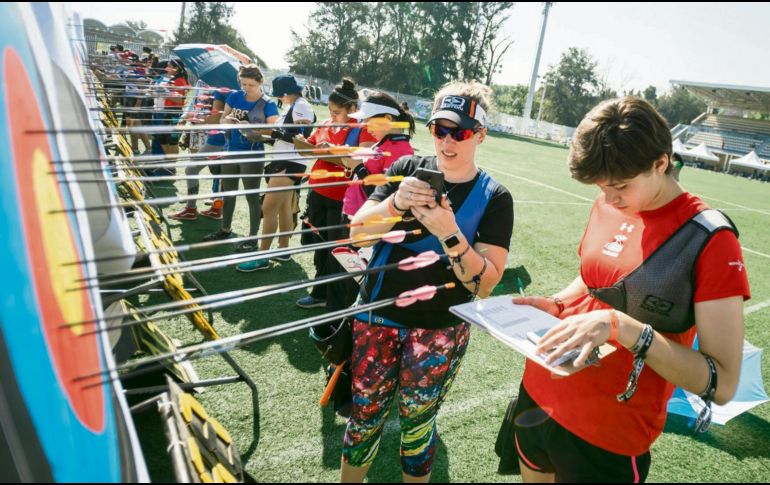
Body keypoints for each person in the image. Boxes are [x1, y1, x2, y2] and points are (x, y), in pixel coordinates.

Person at [510, 97, 750, 483]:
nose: (608, 199)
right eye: (601, 187)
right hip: (538, 395)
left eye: (620, 187)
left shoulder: (711, 239)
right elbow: (595, 280)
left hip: (608, 432)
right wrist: (558, 303)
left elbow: (721, 383)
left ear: (661, 163)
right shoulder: (608, 202)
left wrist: (622, 327)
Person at [340, 81, 514, 482]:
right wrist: (396, 201)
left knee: (417, 429)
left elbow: (485, 284)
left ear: (481, 135)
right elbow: (358, 235)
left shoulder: (495, 197)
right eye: (439, 129)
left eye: (460, 132)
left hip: (439, 329)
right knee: (363, 420)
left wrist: (449, 233)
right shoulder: (405, 170)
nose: (447, 141)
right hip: (376, 316)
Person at [293, 78, 377, 308]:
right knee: (319, 247)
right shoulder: (326, 123)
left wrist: (331, 151)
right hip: (317, 193)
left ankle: (330, 298)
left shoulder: (362, 129)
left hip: (342, 200)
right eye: (330, 110)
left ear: (353, 108)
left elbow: (363, 159)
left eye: (337, 112)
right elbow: (309, 149)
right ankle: (321, 293)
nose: (332, 115)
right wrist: (302, 143)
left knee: (335, 250)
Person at [236, 74, 315, 271]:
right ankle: (283, 250)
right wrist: (257, 132)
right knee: (283, 208)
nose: (279, 98)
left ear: (287, 93)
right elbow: (284, 138)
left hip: (290, 162)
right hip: (286, 161)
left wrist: (271, 133)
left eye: (280, 94)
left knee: (269, 208)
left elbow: (302, 138)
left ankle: (262, 257)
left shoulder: (301, 106)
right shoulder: (294, 105)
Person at [203, 64, 280, 244]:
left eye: (250, 85)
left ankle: (252, 238)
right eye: (243, 84)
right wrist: (228, 120)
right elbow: (222, 119)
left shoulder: (268, 104)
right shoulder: (235, 96)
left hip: (252, 154)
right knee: (228, 193)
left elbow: (272, 132)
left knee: (252, 197)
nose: (246, 88)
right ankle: (225, 229)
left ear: (260, 82)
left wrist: (251, 129)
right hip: (231, 150)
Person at [170, 84, 229, 221]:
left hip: (217, 139)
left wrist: (197, 118)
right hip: (229, 139)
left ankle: (190, 209)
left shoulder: (221, 91)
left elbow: (215, 120)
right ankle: (216, 209)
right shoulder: (238, 91)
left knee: (191, 169)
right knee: (221, 174)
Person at [155, 58, 189, 156]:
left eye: (169, 66)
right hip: (168, 112)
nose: (167, 68)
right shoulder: (173, 80)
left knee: (172, 142)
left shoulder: (179, 81)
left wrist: (165, 93)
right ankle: (169, 162)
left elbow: (180, 101)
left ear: (176, 68)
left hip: (175, 113)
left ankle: (172, 163)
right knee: (162, 139)